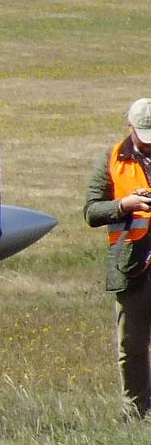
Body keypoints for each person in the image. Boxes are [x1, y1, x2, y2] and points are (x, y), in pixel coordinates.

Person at [85, 98, 151, 418]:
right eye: (143, 135)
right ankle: (135, 410)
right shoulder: (112, 159)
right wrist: (124, 205)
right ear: (129, 127)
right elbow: (91, 211)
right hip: (130, 265)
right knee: (132, 346)